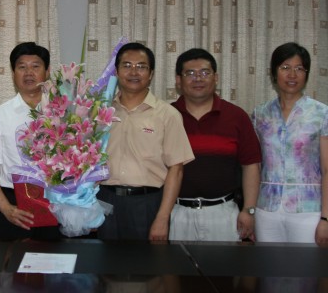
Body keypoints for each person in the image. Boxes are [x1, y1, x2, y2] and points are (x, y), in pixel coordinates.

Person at [97, 42, 194, 241]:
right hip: (105, 200)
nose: (134, 72)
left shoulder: (167, 114)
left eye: (141, 66)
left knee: (148, 261)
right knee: (104, 260)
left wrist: (162, 217)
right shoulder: (100, 111)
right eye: (127, 65)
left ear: (151, 74)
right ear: (116, 72)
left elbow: (176, 169)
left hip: (147, 203)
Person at [169, 48, 261, 242]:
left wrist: (249, 210)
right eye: (190, 73)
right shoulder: (167, 116)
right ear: (178, 80)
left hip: (224, 213)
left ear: (216, 77)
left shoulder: (236, 116)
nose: (198, 78)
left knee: (224, 263)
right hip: (176, 212)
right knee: (174, 262)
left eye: (205, 72)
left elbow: (251, 165)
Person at [0, 42, 62, 240]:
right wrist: (5, 208)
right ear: (13, 73)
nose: (29, 72)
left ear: (47, 71)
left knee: (56, 257)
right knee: (16, 257)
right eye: (22, 67)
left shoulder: (63, 112)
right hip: (16, 205)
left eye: (35, 66)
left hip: (58, 201)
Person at [252, 42, 328, 245]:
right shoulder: (260, 114)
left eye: (299, 68)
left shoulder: (321, 113)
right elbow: (254, 167)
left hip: (308, 209)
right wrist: (250, 210)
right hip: (266, 208)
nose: (292, 75)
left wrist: (326, 218)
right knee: (268, 264)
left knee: (307, 264)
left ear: (306, 74)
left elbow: (327, 169)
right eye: (285, 67)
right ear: (274, 73)